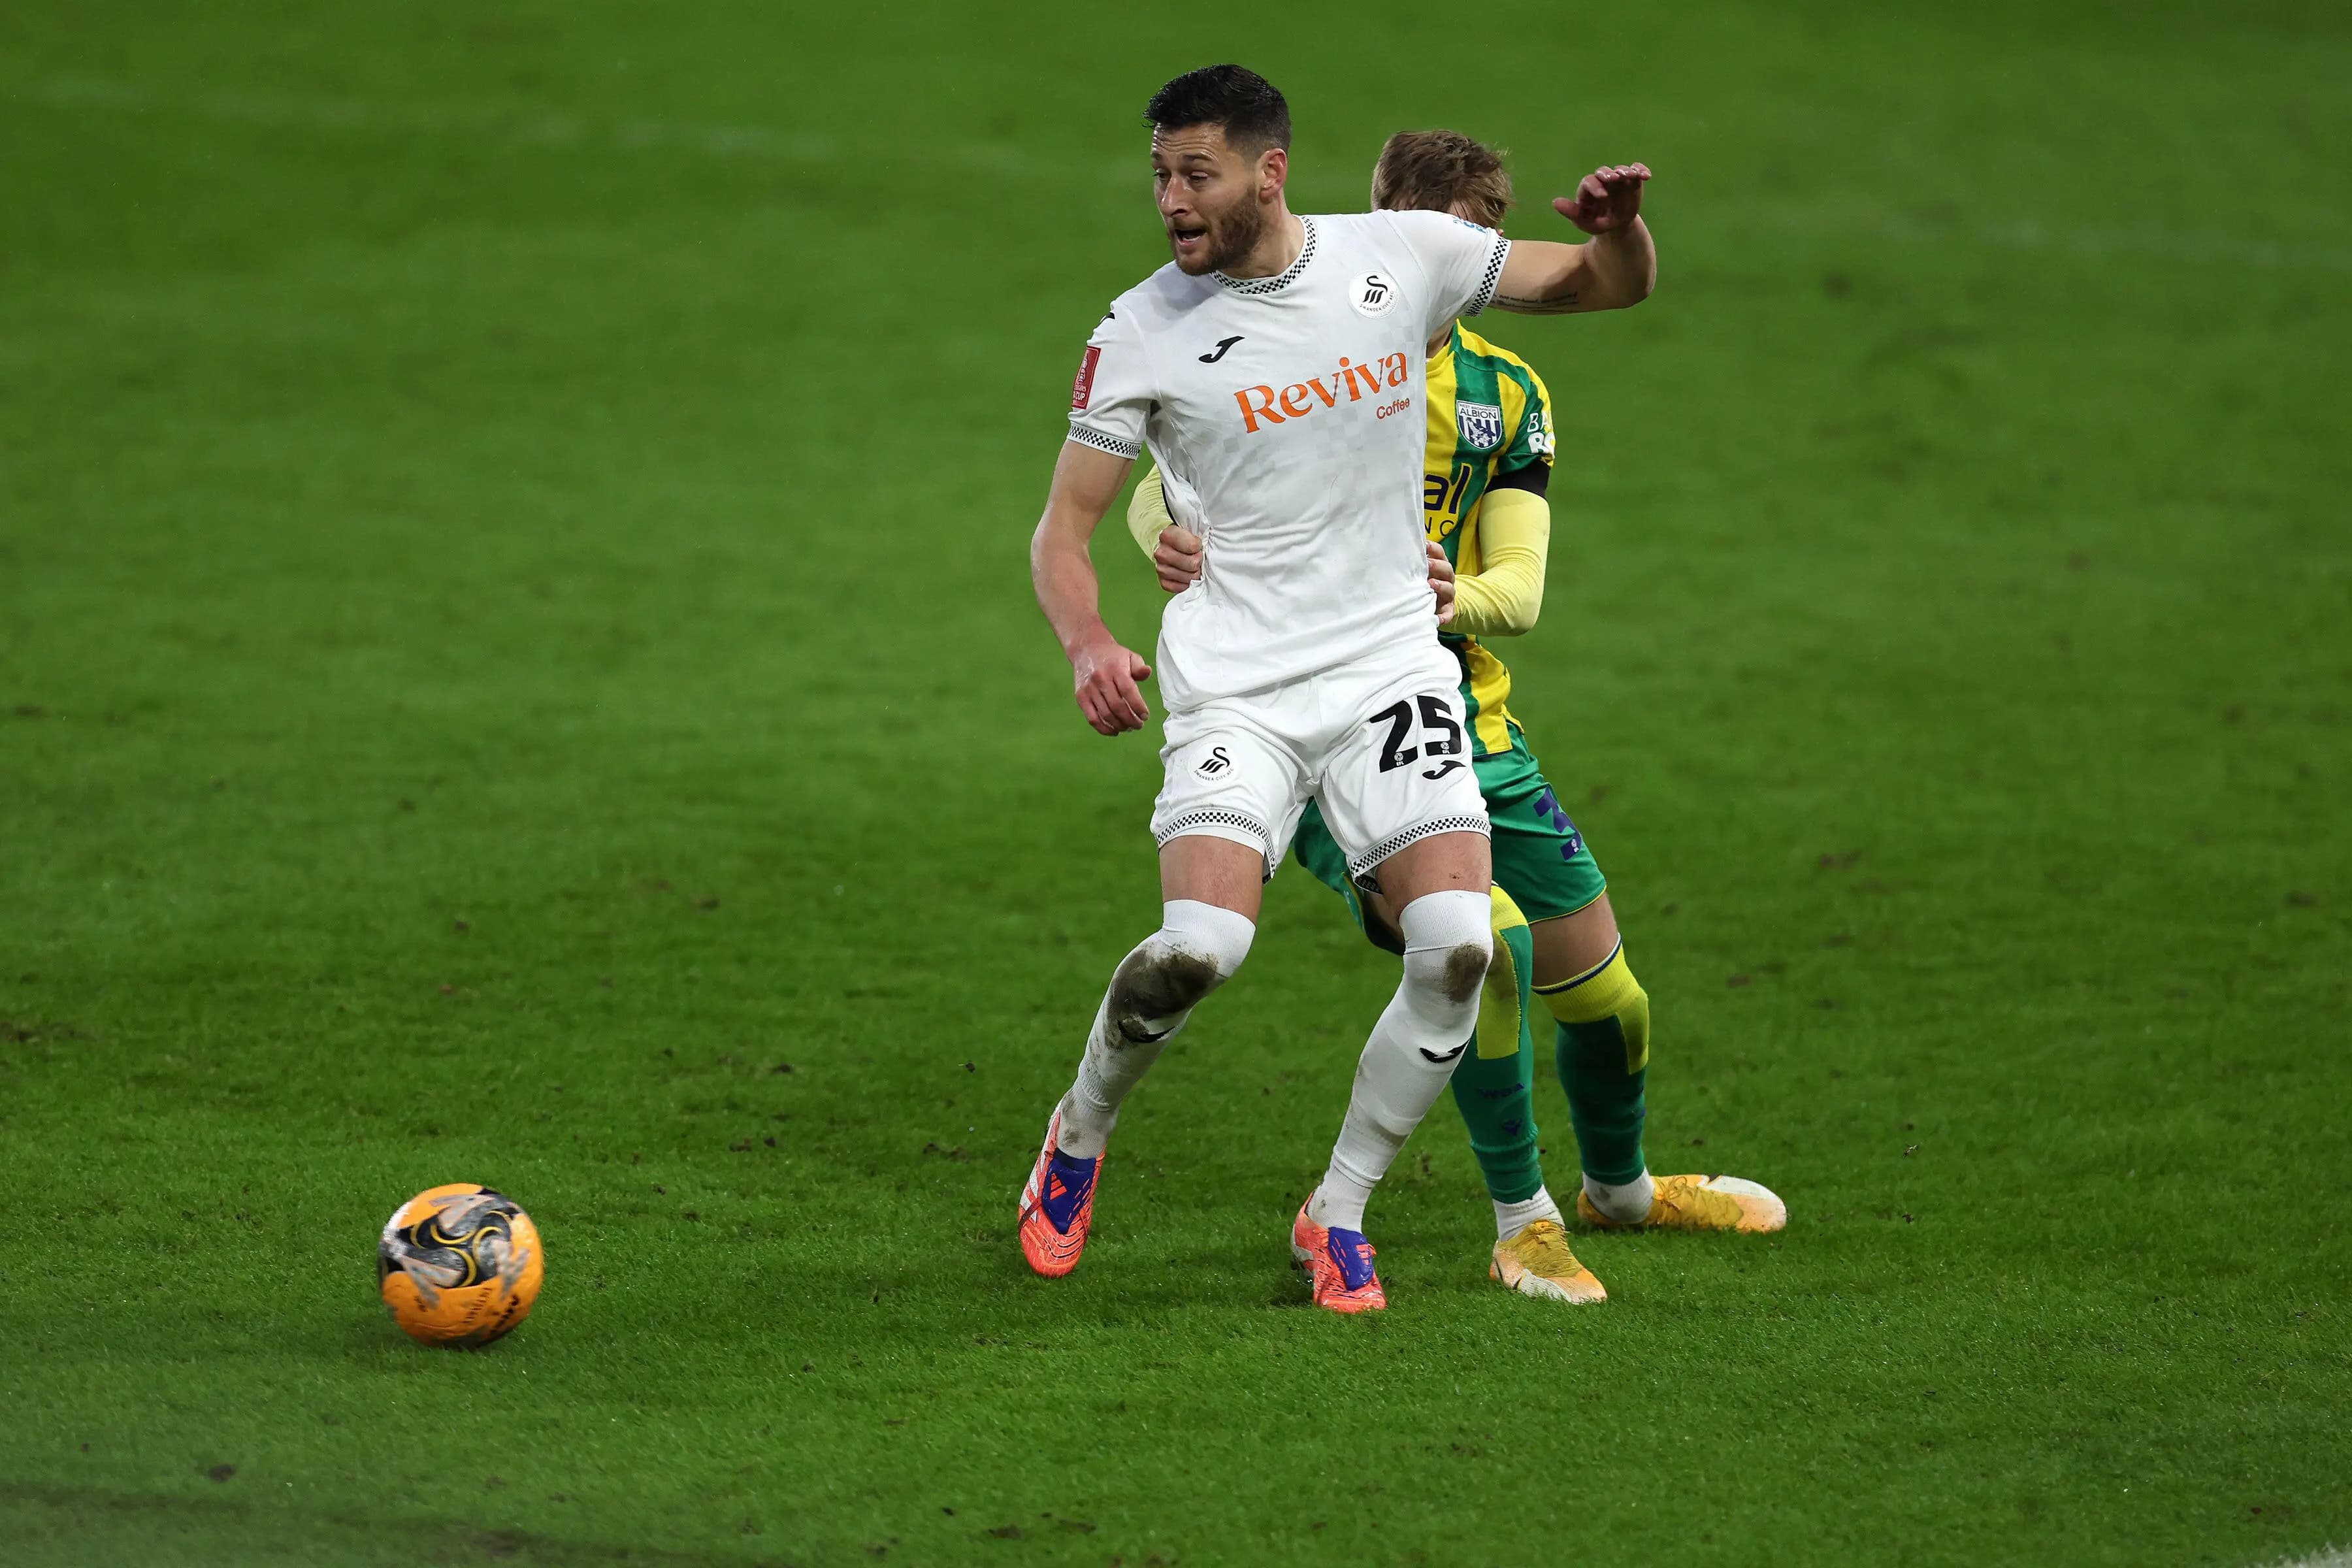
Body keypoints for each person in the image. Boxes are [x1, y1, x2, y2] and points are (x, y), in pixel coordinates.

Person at [1022, 65, 1658, 1313]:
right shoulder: (1140, 330)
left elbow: (1598, 287)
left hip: (1386, 676)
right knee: (1200, 948)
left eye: (1195, 173)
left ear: (1269, 172)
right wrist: (1092, 640)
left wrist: (1617, 230)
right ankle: (1080, 1131)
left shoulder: (1404, 257)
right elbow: (1060, 533)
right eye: (1159, 174)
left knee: (1462, 947)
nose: (1171, 200)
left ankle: (1338, 1210)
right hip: (1241, 691)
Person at [1128, 130, 1785, 1305]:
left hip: (1473, 721)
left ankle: (1620, 1193)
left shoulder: (1503, 395)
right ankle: (1519, 1220)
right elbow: (1157, 486)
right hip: (1336, 723)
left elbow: (1520, 592)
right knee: (1487, 948)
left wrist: (1456, 594)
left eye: (1475, 252)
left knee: (1610, 998)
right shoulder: (1302, 352)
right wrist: (1167, 540)